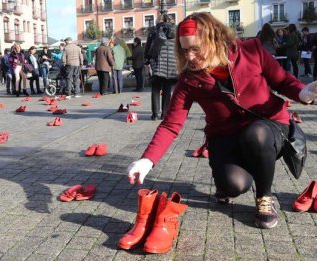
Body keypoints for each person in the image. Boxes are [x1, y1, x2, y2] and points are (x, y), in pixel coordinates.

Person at [126, 12, 317, 230]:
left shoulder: (251, 51)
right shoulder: (189, 79)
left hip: (269, 127)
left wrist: (303, 93)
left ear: (214, 40)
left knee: (256, 134)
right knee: (233, 185)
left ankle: (264, 197)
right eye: (184, 50)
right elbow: (171, 125)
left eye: (195, 49)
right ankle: (232, 174)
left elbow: (282, 81)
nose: (189, 57)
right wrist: (147, 160)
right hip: (226, 137)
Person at [144, 13, 177, 120]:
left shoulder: (154, 31)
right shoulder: (176, 31)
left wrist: (147, 59)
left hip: (157, 62)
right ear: (171, 20)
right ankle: (165, 114)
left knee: (155, 89)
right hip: (171, 64)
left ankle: (155, 114)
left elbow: (148, 46)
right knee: (167, 90)